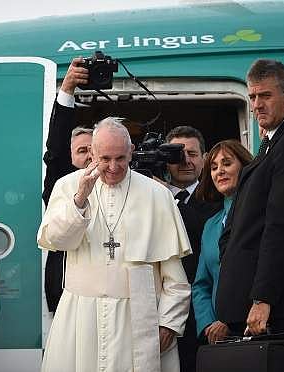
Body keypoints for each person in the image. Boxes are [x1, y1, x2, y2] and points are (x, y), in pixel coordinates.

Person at [37, 117, 191, 372]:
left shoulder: (157, 195)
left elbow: (175, 277)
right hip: (80, 317)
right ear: (92, 154)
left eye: (120, 158)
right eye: (105, 159)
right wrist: (79, 200)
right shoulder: (67, 186)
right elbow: (54, 241)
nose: (113, 167)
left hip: (139, 318)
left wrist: (169, 322)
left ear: (131, 152)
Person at [216, 59, 284, 336]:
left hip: (269, 312)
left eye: (265, 95)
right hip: (244, 304)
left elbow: (283, 225)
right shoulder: (274, 143)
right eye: (252, 97)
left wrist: (263, 298)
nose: (256, 105)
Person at [165, 126, 221, 371]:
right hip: (160, 311)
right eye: (177, 154)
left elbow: (204, 231)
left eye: (192, 153)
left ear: (205, 158)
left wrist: (167, 200)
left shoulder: (218, 198)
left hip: (203, 312)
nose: (185, 161)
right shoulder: (149, 198)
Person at [42, 57, 92, 313]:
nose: (90, 156)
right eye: (82, 150)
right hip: (65, 296)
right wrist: (67, 91)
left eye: (96, 150)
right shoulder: (61, 181)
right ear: (70, 157)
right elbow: (57, 147)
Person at [191, 140, 252, 345]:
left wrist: (230, 320)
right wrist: (209, 323)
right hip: (217, 337)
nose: (220, 172)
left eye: (227, 163)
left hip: (251, 327)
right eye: (214, 167)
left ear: (245, 166)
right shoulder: (211, 225)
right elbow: (201, 284)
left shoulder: (258, 215)